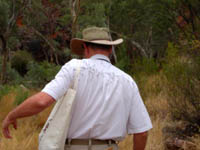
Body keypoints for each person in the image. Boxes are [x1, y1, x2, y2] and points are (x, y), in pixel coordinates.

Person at [2, 27, 152, 150]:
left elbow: (42, 101)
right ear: (111, 50)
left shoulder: (74, 68)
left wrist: (12, 115)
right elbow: (142, 132)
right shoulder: (127, 80)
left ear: (85, 47)